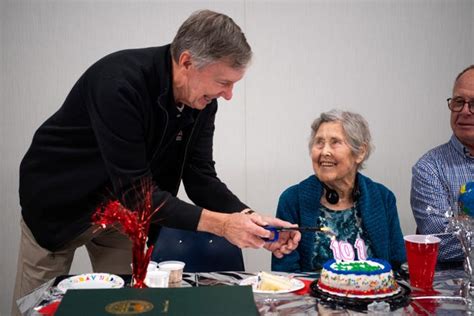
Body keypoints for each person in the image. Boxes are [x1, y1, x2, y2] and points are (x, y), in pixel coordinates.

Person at [13, 9, 300, 312]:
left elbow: (200, 177)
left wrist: (249, 220)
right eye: (223, 81)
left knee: (125, 304)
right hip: (60, 204)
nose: (228, 95)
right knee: (36, 306)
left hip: (122, 213)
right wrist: (224, 225)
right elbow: (137, 193)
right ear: (187, 62)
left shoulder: (202, 102)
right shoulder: (118, 84)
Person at [272, 109, 406, 272]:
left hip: (373, 295)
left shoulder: (383, 198)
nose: (324, 151)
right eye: (319, 142)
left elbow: (399, 266)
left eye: (335, 142)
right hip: (312, 297)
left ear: (360, 152)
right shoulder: (292, 200)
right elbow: (285, 275)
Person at [411, 65, 474, 263]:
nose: (465, 111)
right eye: (458, 102)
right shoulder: (429, 168)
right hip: (456, 287)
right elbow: (441, 244)